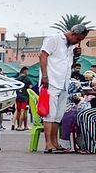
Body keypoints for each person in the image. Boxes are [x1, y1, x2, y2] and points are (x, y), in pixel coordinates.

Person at [38, 24, 89, 153]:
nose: (78, 43)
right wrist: (45, 76)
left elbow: (66, 63)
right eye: (78, 39)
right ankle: (48, 144)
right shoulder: (53, 39)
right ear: (72, 34)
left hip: (64, 83)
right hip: (51, 81)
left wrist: (76, 55)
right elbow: (42, 56)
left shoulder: (70, 47)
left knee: (58, 115)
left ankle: (55, 143)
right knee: (50, 114)